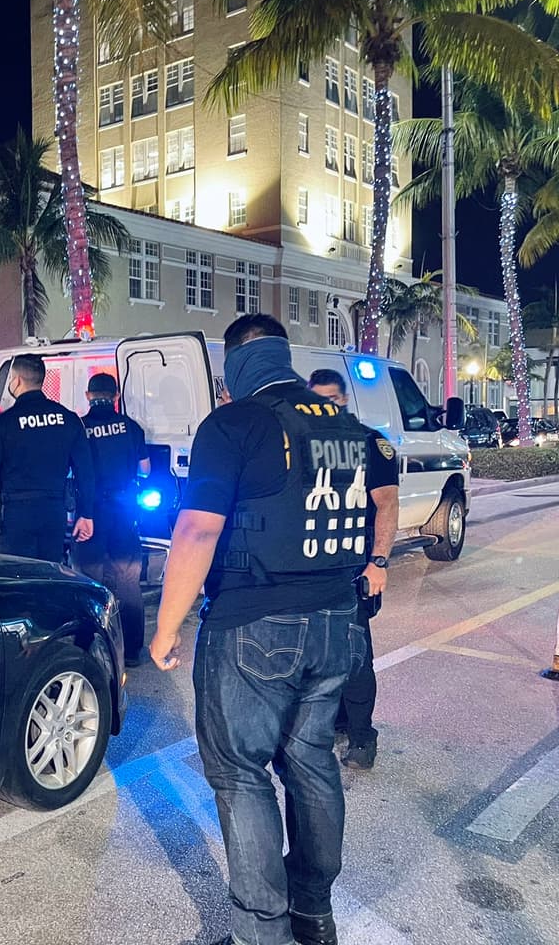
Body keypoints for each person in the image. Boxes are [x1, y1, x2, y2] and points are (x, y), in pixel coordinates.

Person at [150, 315, 372, 945]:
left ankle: (260, 931)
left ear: (235, 366)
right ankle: (314, 913)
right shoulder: (344, 424)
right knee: (310, 761)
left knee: (240, 772)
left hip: (257, 623)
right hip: (338, 620)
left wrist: (166, 628)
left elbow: (197, 529)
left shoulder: (235, 423)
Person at [308, 368, 399, 770]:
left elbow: (387, 504)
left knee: (355, 656)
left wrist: (378, 562)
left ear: (344, 400)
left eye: (330, 399)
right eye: (315, 401)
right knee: (314, 654)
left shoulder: (370, 443)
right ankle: (335, 721)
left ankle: (362, 737)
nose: (322, 408)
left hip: (354, 567)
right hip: (312, 568)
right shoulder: (302, 444)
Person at [0, 354, 95, 562]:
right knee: (50, 572)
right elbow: (86, 472)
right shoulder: (69, 419)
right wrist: (86, 514)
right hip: (54, 512)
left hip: (16, 516)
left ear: (17, 381)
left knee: (18, 574)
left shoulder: (4, 423)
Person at [74, 372, 151, 666]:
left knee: (88, 578)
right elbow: (145, 469)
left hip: (91, 510)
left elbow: (72, 469)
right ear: (116, 396)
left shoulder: (80, 427)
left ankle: (90, 648)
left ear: (88, 396)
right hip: (124, 508)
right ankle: (132, 651)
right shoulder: (131, 427)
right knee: (128, 579)